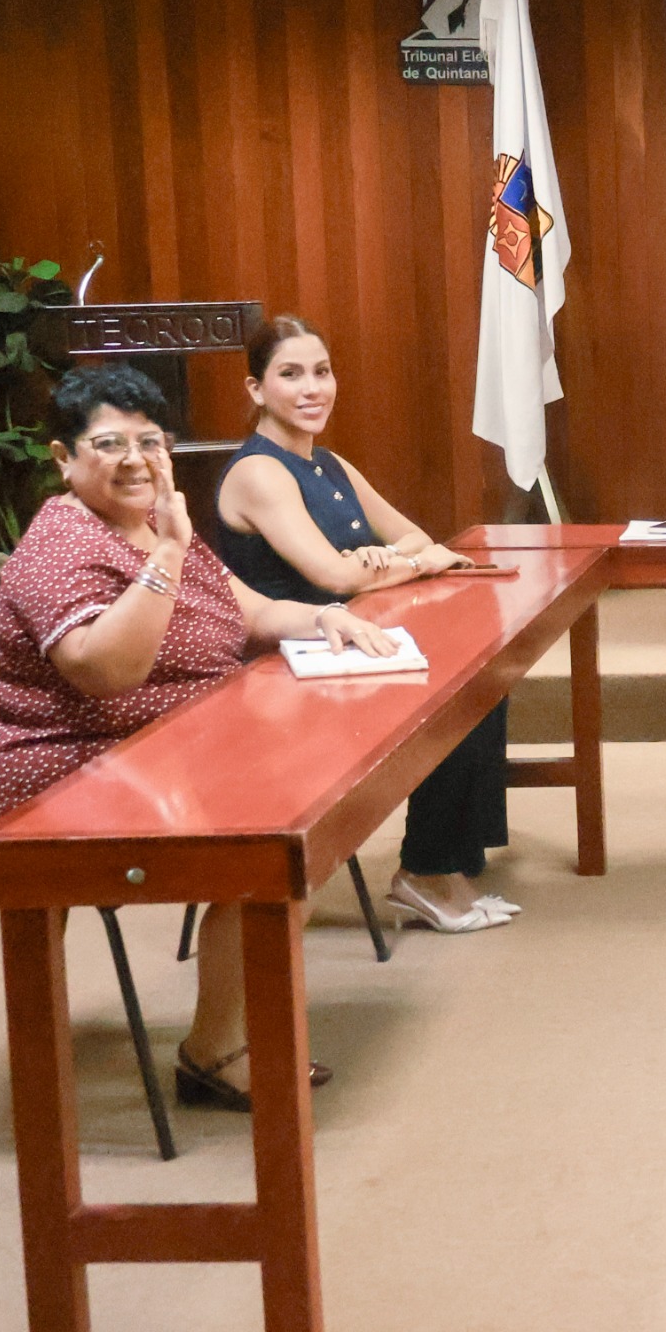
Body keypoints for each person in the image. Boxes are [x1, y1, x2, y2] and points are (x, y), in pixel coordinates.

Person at [0, 364, 396, 1112]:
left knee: (305, 799)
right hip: (65, 773)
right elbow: (107, 671)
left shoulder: (154, 523)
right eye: (109, 443)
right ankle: (216, 1053)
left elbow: (252, 612)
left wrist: (325, 617)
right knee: (268, 832)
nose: (135, 460)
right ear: (63, 458)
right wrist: (166, 556)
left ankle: (217, 1038)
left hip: (170, 749)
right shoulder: (63, 544)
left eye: (150, 442)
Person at [215, 315, 513, 933]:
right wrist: (397, 564)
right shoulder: (258, 471)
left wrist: (384, 559)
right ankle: (428, 870)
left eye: (322, 372)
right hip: (286, 660)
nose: (312, 388)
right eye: (290, 374)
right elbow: (333, 575)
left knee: (484, 673)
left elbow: (416, 536)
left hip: (347, 640)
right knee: (453, 687)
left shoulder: (330, 464)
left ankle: (448, 861)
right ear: (255, 389)